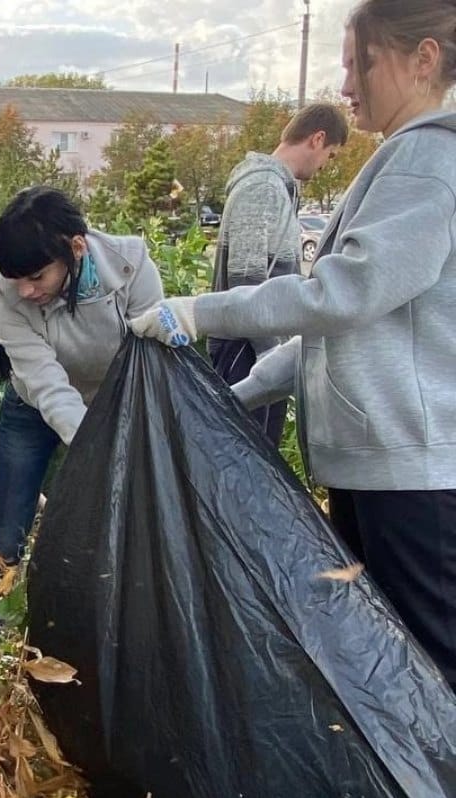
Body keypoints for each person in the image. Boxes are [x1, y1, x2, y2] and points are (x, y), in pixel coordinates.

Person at [130, 0, 456, 687]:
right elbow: (340, 332)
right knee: (392, 663)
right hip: (379, 469)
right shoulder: (403, 160)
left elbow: (341, 295)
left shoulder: (427, 160)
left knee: (427, 667)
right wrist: (239, 395)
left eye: (359, 63)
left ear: (423, 59)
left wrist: (202, 312)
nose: (344, 88)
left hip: (410, 476)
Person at [0, 186, 165, 632]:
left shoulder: (129, 266)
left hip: (114, 401)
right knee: (9, 531)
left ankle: (100, 631)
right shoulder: (10, 298)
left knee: (111, 521)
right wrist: (90, 448)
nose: (25, 289)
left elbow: (152, 355)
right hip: (32, 408)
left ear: (76, 248)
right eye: (16, 278)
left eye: (37, 276)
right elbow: (48, 386)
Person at [208, 102, 348, 446]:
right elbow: (245, 274)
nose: (325, 165)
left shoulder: (276, 187)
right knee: (247, 462)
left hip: (252, 345)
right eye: (330, 155)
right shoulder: (263, 188)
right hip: (247, 349)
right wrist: (270, 352)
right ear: (317, 139)